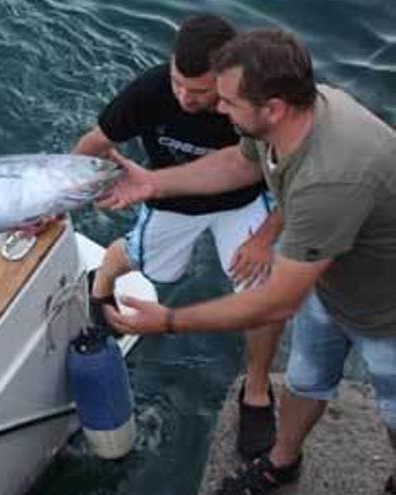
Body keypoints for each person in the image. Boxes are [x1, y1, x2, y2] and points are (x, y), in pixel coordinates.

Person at [101, 29, 396, 495]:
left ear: (272, 107)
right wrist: (156, 185)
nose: (219, 109)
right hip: (332, 280)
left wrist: (171, 320)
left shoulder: (330, 181)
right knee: (304, 380)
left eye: (229, 102)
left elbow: (276, 303)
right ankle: (282, 462)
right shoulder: (290, 119)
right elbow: (238, 166)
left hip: (387, 313)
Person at [74, 14, 284, 459]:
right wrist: (58, 200)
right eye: (178, 84)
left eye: (201, 91)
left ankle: (258, 393)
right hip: (171, 197)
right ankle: (100, 284)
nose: (186, 99)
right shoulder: (150, 91)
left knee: (262, 290)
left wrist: (264, 239)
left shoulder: (260, 104)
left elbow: (297, 180)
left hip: (244, 204)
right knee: (146, 263)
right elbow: (93, 142)